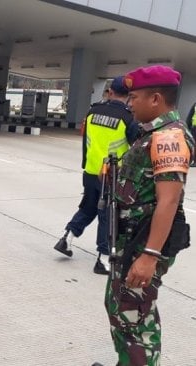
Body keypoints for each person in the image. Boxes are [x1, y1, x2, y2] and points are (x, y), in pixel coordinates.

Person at [99, 65, 194, 365]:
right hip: (132, 239)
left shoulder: (168, 138)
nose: (130, 104)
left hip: (144, 243)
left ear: (155, 99)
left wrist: (149, 256)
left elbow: (168, 201)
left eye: (134, 97)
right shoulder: (152, 134)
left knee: (134, 313)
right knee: (121, 306)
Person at [54, 76, 137, 275]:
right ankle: (103, 258)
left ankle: (67, 238)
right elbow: (137, 146)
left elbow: (86, 141)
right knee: (108, 215)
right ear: (128, 96)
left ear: (110, 92)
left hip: (91, 171)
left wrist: (86, 163)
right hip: (112, 175)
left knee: (89, 206)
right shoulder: (128, 118)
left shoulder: (92, 112)